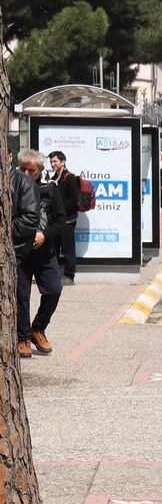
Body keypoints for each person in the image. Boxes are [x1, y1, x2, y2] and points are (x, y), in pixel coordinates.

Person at [12, 149, 61, 357]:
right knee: (21, 296)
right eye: (22, 168)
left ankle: (38, 328)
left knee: (53, 290)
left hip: (45, 251)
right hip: (21, 252)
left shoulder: (51, 189)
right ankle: (22, 338)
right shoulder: (13, 186)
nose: (25, 173)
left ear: (40, 170)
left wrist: (44, 236)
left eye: (30, 170)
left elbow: (61, 221)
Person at [42, 151, 81, 282]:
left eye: (55, 161)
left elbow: (74, 199)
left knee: (68, 249)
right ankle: (55, 275)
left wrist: (61, 210)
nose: (52, 164)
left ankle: (70, 275)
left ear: (63, 162)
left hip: (68, 220)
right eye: (51, 162)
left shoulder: (69, 178)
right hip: (57, 221)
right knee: (54, 247)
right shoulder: (53, 179)